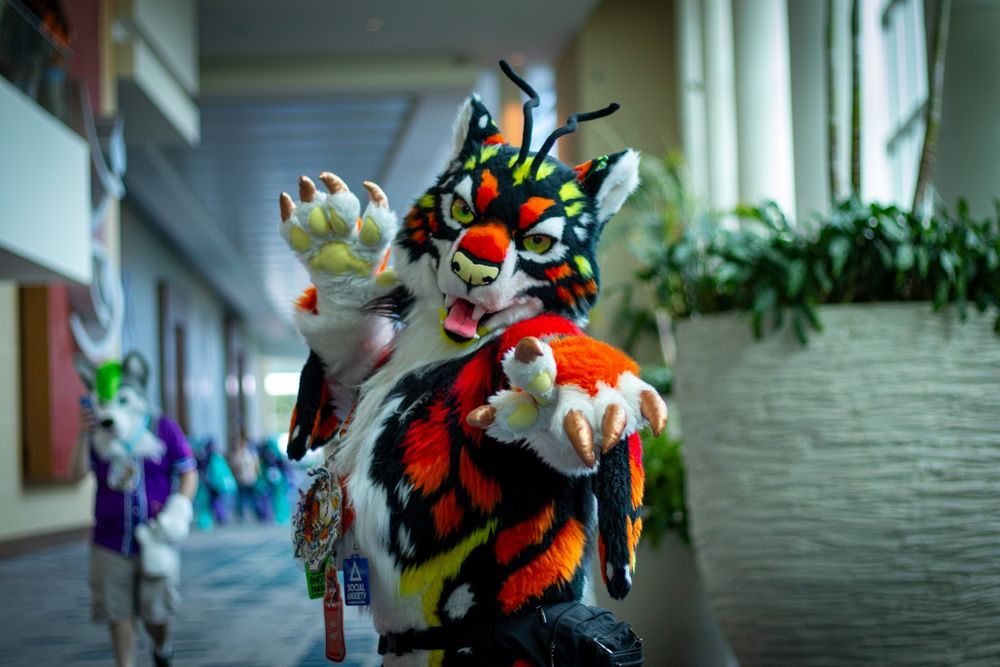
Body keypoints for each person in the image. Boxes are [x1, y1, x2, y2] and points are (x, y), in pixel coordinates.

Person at [74, 352, 198, 667]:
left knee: (156, 614)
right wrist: (83, 434)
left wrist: (180, 507)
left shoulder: (162, 427)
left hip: (155, 537)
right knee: (118, 614)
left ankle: (162, 646)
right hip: (109, 540)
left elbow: (188, 471)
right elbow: (76, 474)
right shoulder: (99, 433)